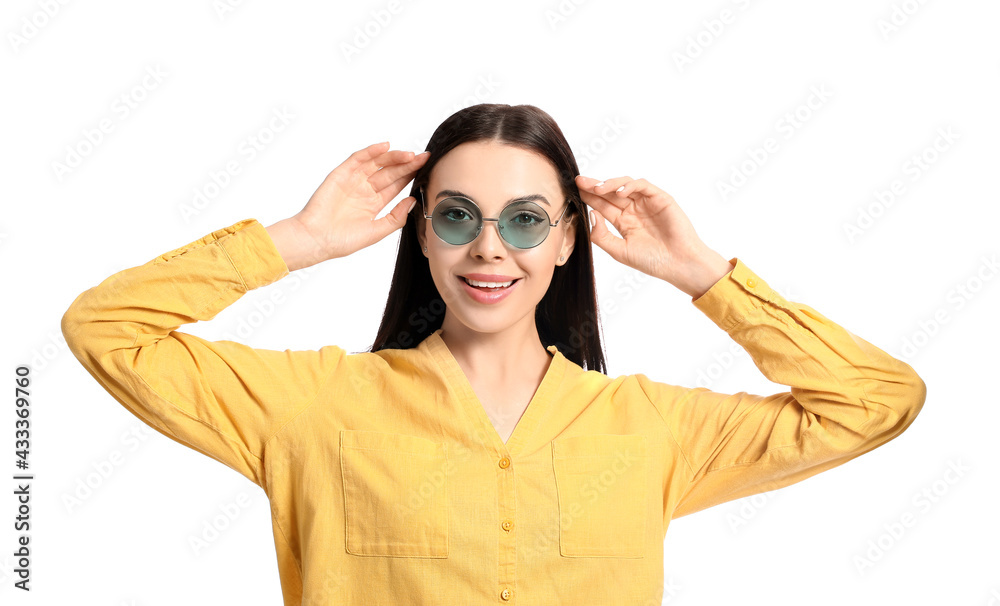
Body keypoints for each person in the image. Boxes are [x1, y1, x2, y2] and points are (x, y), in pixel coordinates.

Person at [61, 103, 926, 605]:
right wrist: (295, 239)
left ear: (565, 242)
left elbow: (876, 400)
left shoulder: (651, 429)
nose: (489, 249)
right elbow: (106, 330)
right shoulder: (313, 407)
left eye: (524, 221)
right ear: (424, 238)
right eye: (456, 216)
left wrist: (702, 274)